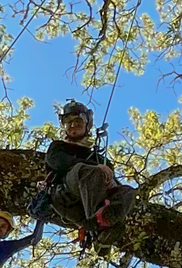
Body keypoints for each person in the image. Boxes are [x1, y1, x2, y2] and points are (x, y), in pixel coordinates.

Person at [43, 99, 135, 234]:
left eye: (78, 121)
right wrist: (97, 167)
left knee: (128, 192)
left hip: (90, 202)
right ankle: (99, 230)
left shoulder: (100, 160)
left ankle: (102, 224)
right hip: (66, 198)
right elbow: (58, 162)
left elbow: (110, 179)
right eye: (69, 122)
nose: (73, 125)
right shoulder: (58, 147)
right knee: (84, 169)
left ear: (87, 125)